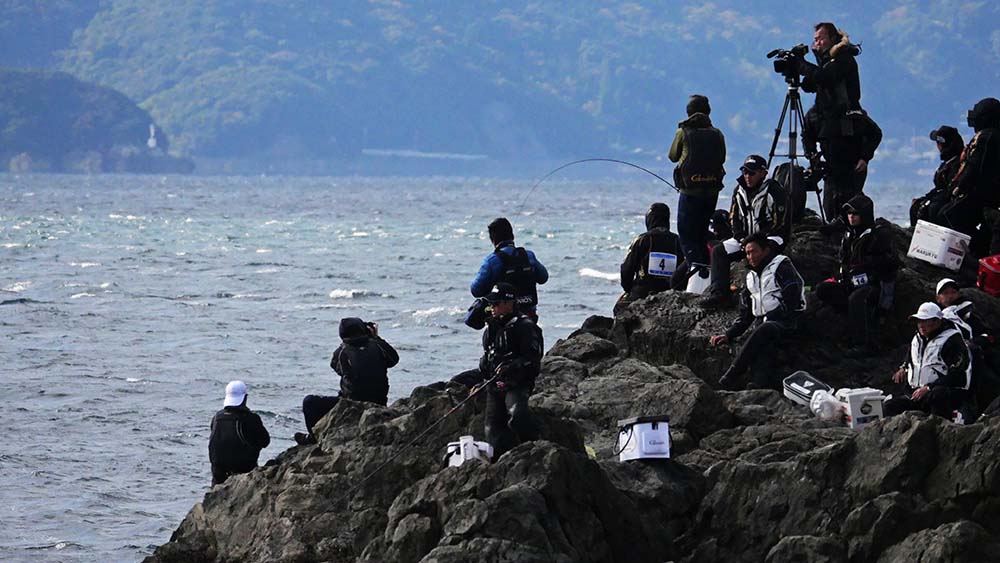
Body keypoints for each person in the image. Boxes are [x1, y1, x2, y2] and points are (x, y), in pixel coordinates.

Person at [797, 23, 882, 223]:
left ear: (833, 38)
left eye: (821, 38)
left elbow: (825, 77)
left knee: (849, 206)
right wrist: (812, 155)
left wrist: (865, 156)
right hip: (830, 156)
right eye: (815, 39)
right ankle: (835, 235)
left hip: (848, 148)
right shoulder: (818, 113)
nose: (817, 43)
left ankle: (854, 236)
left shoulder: (844, 59)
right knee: (831, 209)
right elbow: (812, 83)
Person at [709, 233, 806, 390]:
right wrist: (728, 335)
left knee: (765, 329)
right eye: (747, 253)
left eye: (754, 251)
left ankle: (729, 377)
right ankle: (758, 385)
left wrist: (772, 316)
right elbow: (746, 315)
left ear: (766, 250)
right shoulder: (750, 277)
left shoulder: (781, 265)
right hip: (765, 326)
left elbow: (792, 297)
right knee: (763, 339)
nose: (750, 256)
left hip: (789, 321)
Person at [813, 194, 898, 356]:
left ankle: (863, 344)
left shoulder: (877, 235)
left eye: (855, 213)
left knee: (857, 299)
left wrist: (866, 264)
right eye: (849, 213)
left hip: (874, 285)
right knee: (822, 289)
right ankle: (851, 322)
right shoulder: (849, 235)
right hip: (850, 282)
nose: (851, 216)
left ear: (864, 214)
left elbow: (891, 263)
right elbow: (843, 261)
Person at [700, 154, 789, 308]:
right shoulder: (739, 190)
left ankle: (765, 294)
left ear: (763, 173)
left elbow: (779, 222)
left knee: (763, 252)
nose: (747, 176)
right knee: (718, 251)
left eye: (752, 173)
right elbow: (734, 217)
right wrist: (740, 236)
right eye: (745, 172)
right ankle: (719, 294)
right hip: (745, 238)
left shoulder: (775, 191)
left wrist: (756, 239)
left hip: (771, 237)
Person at [294, 317, 399, 445]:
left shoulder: (342, 351)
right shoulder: (378, 345)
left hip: (352, 405)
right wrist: (376, 338)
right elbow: (394, 360)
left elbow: (338, 369)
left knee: (310, 402)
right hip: (379, 403)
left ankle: (313, 437)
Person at [475, 282, 543, 460]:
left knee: (517, 417)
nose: (492, 307)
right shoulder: (491, 328)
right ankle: (504, 461)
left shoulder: (525, 326)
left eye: (496, 303)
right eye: (491, 304)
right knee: (492, 432)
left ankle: (537, 448)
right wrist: (482, 378)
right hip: (494, 385)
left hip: (516, 384)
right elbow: (488, 356)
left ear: (509, 303)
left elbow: (533, 360)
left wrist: (512, 367)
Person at [668, 94, 726, 283]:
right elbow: (722, 158)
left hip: (689, 191)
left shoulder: (683, 132)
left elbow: (672, 156)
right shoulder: (717, 133)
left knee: (686, 233)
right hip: (712, 191)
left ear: (688, 112)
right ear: (708, 112)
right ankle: (707, 267)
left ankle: (696, 270)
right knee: (702, 231)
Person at [884, 302, 972, 419]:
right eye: (919, 321)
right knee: (889, 406)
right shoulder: (916, 339)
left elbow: (958, 375)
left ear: (937, 321)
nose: (921, 325)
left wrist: (929, 388)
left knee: (937, 396)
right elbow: (910, 358)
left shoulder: (951, 339)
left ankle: (939, 427)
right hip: (916, 393)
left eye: (925, 321)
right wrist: (903, 368)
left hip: (943, 393)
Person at [938, 98, 1000, 248]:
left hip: (982, 193)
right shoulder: (991, 135)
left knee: (946, 214)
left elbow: (974, 166)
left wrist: (958, 188)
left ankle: (972, 250)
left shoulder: (987, 137)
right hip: (988, 192)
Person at [471, 217, 548, 321]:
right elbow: (543, 278)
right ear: (512, 236)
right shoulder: (528, 256)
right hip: (529, 316)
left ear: (493, 240)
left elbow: (476, 290)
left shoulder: (492, 261)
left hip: (503, 318)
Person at [208, 380, 270, 485]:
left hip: (218, 476)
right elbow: (265, 442)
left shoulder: (216, 418)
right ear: (245, 398)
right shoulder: (251, 418)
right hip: (244, 474)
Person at [620, 202, 682, 301]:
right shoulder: (678, 241)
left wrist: (628, 289)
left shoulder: (642, 240)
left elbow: (626, 269)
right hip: (670, 293)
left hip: (642, 293)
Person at [910, 126, 964, 227]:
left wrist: (931, 200)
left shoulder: (957, 164)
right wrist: (926, 198)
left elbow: (949, 189)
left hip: (948, 201)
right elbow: (939, 188)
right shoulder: (947, 163)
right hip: (940, 197)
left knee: (932, 208)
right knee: (916, 206)